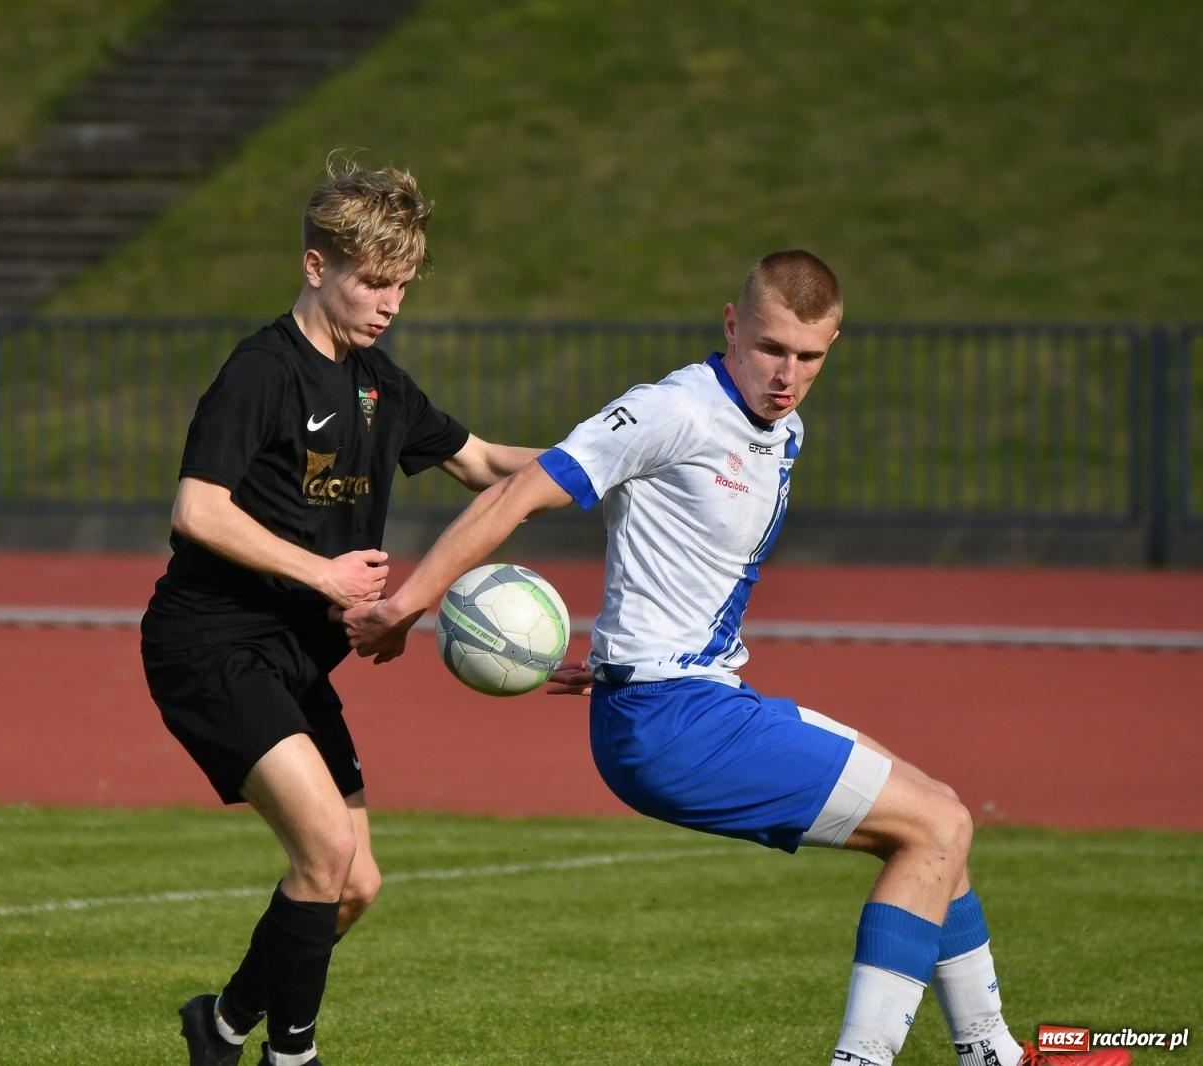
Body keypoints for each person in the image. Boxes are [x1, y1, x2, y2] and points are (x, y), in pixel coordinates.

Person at [337, 250, 1131, 1066]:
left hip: (692, 699)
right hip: (674, 721)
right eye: (771, 348)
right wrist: (406, 606)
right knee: (940, 826)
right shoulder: (672, 409)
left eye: (810, 356)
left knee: (935, 818)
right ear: (730, 325)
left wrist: (617, 658)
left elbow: (652, 524)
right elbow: (515, 492)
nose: (788, 375)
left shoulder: (781, 425)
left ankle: (992, 1051)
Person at [142, 158, 545, 1066]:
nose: (390, 301)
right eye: (373, 281)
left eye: (401, 283)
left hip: (293, 659)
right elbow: (198, 510)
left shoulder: (380, 383)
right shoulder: (262, 371)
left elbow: (483, 464)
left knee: (353, 885)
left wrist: (611, 458)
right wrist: (324, 576)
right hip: (210, 645)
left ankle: (222, 1024)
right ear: (316, 266)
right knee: (324, 851)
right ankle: (294, 1059)